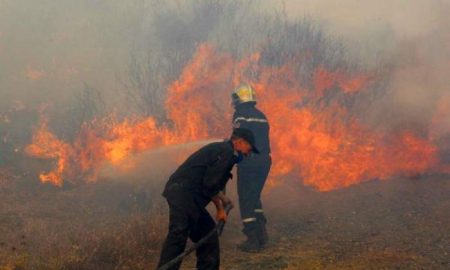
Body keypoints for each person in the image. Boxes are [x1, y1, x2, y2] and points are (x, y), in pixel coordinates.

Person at [156, 128, 259, 270]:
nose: (248, 153)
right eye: (249, 148)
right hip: (183, 193)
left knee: (208, 237)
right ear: (240, 142)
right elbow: (209, 186)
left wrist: (222, 198)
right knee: (179, 234)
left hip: (189, 196)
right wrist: (220, 209)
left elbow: (209, 181)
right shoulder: (227, 153)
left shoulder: (224, 152)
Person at [231, 84, 272, 252]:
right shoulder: (261, 116)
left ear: (239, 99)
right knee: (254, 196)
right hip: (264, 161)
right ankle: (262, 235)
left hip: (249, 162)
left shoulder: (240, 115)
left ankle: (252, 240)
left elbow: (239, 138)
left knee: (246, 198)